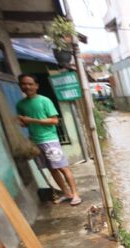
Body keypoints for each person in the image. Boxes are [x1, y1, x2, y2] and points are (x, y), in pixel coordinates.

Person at [16, 74, 81, 205]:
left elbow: (54, 120)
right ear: (20, 86)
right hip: (35, 140)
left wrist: (32, 120)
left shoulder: (44, 101)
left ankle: (75, 194)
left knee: (63, 167)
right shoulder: (21, 104)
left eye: (30, 84)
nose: (27, 86)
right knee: (51, 168)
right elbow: (26, 124)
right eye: (24, 84)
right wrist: (23, 123)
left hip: (49, 140)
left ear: (36, 86)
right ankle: (66, 193)